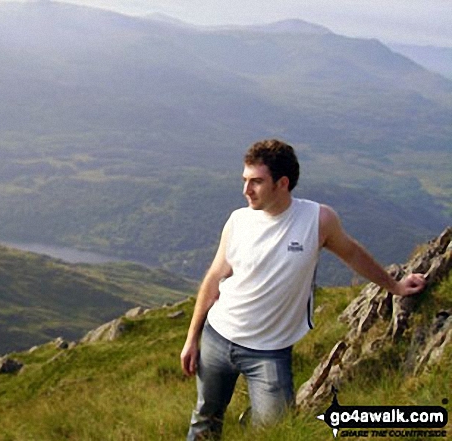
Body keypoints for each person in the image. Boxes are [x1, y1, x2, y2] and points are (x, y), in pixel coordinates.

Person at [180, 139, 426, 440]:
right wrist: (192, 338)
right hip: (218, 338)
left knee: (274, 433)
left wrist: (396, 286)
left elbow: (353, 254)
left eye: (256, 182)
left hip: (269, 353)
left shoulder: (317, 220)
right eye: (245, 180)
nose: (246, 190)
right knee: (205, 419)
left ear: (282, 183)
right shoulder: (238, 220)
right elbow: (214, 278)